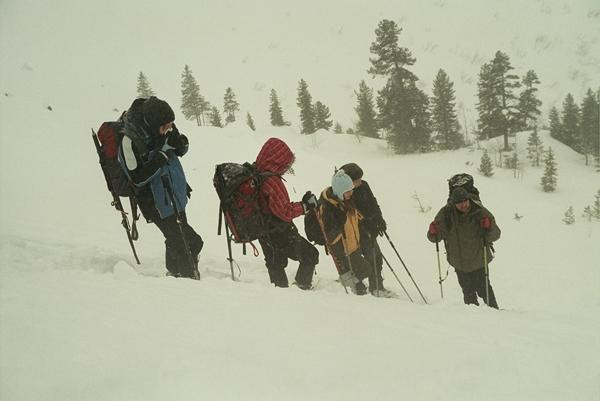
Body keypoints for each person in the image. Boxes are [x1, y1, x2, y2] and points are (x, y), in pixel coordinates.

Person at [120, 96, 203, 279]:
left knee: (178, 242)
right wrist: (160, 157)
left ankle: (174, 275)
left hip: (175, 194)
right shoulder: (131, 140)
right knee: (191, 243)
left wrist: (181, 144)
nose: (169, 129)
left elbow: (179, 150)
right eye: (165, 126)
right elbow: (136, 179)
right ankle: (189, 283)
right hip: (155, 203)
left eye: (171, 124)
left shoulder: (164, 124)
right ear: (151, 124)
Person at [254, 137, 319, 289]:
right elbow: (284, 211)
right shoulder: (271, 181)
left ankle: (279, 295)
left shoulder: (256, 172)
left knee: (275, 263)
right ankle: (302, 287)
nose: (286, 168)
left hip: (262, 230)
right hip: (279, 232)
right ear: (277, 161)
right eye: (286, 164)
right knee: (310, 254)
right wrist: (305, 206)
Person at [427, 186, 501, 308]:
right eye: (460, 203)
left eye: (465, 201)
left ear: (469, 199)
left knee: (485, 291)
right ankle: (472, 321)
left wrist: (489, 228)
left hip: (478, 261)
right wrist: (432, 232)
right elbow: (435, 238)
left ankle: (496, 314)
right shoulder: (446, 214)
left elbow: (496, 234)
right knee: (468, 293)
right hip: (460, 263)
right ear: (454, 203)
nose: (464, 205)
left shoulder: (480, 212)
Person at [339, 163, 394, 297]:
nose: (360, 182)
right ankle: (359, 285)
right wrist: (367, 224)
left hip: (370, 228)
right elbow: (351, 215)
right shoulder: (345, 193)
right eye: (356, 180)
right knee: (363, 260)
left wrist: (379, 220)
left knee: (376, 257)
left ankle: (377, 286)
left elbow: (373, 203)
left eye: (360, 179)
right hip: (356, 233)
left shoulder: (364, 185)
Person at [318, 169, 375, 295]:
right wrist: (338, 226)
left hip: (353, 245)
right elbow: (330, 233)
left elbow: (354, 216)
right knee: (365, 269)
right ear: (339, 191)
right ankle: (348, 284)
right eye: (347, 191)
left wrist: (366, 221)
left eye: (351, 190)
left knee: (362, 271)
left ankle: (353, 285)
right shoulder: (330, 208)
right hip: (344, 249)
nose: (351, 193)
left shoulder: (346, 202)